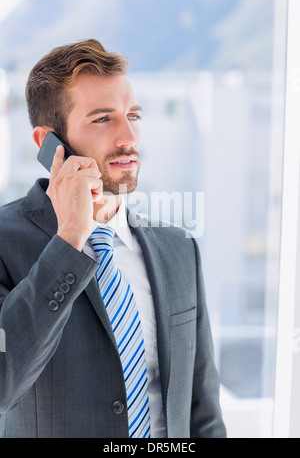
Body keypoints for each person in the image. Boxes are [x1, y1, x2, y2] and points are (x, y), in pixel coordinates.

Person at [0, 39, 226, 438]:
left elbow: (202, 412)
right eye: (103, 119)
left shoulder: (179, 249)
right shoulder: (4, 241)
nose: (128, 137)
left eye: (133, 115)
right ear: (47, 143)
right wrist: (69, 239)